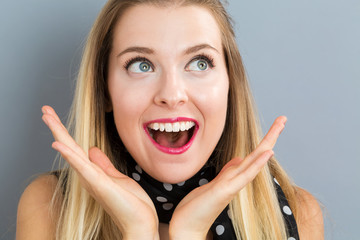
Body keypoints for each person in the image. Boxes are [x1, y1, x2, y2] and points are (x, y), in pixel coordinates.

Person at [16, 0, 324, 239]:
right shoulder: (49, 207)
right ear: (104, 90)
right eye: (141, 65)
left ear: (231, 85)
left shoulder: (300, 214)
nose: (172, 94)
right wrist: (139, 234)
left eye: (199, 62)